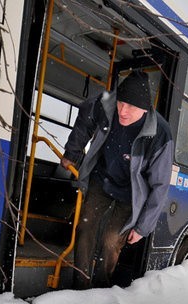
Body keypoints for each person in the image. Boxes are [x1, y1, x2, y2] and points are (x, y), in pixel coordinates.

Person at [60, 70, 174, 289]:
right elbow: (85, 117)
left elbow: (160, 186)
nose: (122, 111)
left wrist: (143, 228)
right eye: (121, 103)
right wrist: (71, 153)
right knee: (85, 228)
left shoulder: (160, 134)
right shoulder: (107, 105)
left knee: (111, 241)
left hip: (131, 193)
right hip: (101, 179)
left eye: (131, 107)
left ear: (145, 108)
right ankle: (80, 286)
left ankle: (102, 288)